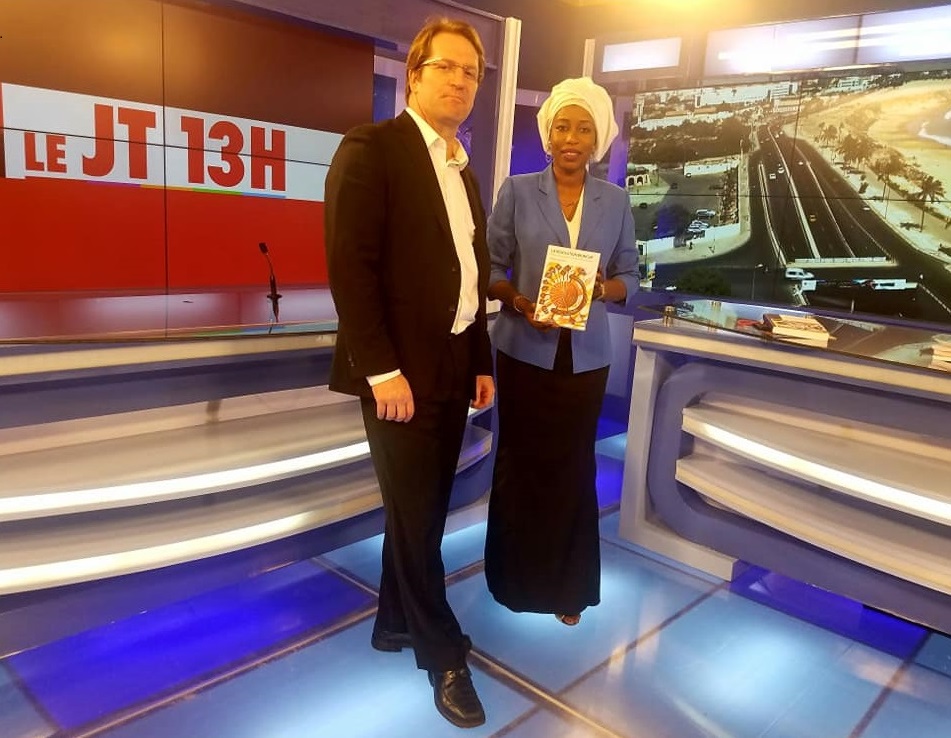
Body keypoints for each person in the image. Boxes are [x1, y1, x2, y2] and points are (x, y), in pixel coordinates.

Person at [324, 17, 495, 729]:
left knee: (421, 511)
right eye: (446, 67)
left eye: (471, 72)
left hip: (454, 365)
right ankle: (443, 654)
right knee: (419, 517)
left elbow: (471, 274)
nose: (459, 81)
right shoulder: (373, 149)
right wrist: (380, 371)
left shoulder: (463, 168)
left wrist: (480, 360)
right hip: (397, 375)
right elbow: (350, 269)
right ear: (415, 74)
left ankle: (393, 622)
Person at [483, 77, 639, 627]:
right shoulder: (518, 191)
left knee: (574, 467)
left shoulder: (615, 201)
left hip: (587, 357)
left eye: (584, 129)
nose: (571, 138)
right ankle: (513, 580)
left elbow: (630, 276)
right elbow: (490, 268)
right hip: (524, 350)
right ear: (548, 134)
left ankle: (567, 587)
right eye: (562, 127)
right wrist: (519, 301)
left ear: (599, 139)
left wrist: (600, 289)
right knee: (520, 461)